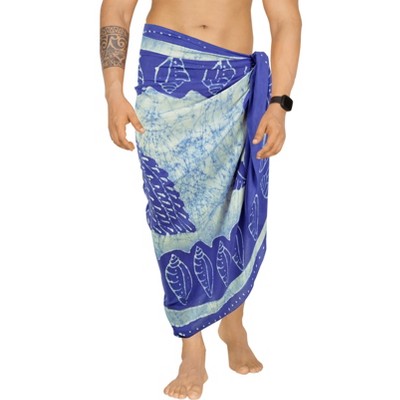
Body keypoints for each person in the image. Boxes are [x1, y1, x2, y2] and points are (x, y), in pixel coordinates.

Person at [100, 1, 301, 399]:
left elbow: (285, 19)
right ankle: (192, 347)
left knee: (236, 204)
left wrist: (279, 105)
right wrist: (112, 92)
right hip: (165, 76)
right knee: (170, 218)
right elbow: (117, 9)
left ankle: (233, 322)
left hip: (233, 82)